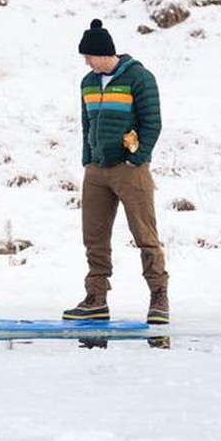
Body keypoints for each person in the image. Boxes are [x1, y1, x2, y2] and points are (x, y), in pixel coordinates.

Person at [63, 19, 169, 325]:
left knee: (144, 235)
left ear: (103, 53)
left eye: (89, 56)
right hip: (96, 170)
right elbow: (87, 124)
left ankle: (159, 296)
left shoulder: (139, 77)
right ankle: (96, 299)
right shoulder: (88, 82)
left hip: (129, 169)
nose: (86, 62)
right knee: (94, 237)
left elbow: (152, 123)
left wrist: (138, 159)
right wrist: (88, 158)